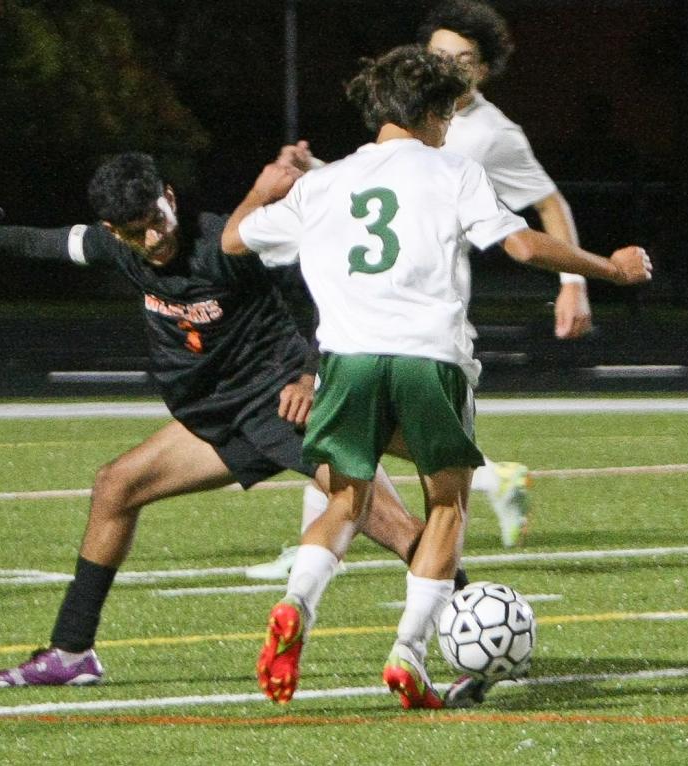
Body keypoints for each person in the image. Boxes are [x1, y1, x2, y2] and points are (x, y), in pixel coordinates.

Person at [0, 151, 434, 688]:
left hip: (283, 407)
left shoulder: (228, 240)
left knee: (391, 525)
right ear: (112, 228)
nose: (151, 239)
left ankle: (472, 626)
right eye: (133, 231)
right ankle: (72, 652)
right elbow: (28, 240)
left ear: (170, 197)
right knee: (116, 485)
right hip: (217, 420)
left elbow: (329, 295)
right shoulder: (118, 246)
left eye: (156, 221)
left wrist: (311, 376)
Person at [221, 45, 651, 708]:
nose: (449, 126)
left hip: (346, 359)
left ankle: (295, 608)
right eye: (447, 114)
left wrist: (265, 187)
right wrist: (611, 269)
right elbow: (520, 244)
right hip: (430, 357)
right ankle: (408, 654)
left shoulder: (324, 183)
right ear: (427, 114)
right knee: (447, 504)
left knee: (345, 500)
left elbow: (234, 241)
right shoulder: (452, 171)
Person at [243, 0, 592, 576]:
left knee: (347, 430)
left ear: (483, 69)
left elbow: (548, 201)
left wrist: (573, 281)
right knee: (350, 432)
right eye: (438, 54)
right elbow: (390, 193)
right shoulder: (416, 113)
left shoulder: (495, 134)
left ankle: (318, 558)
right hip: (379, 295)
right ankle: (481, 484)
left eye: (463, 58)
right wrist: (318, 176)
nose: (449, 65)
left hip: (424, 310)